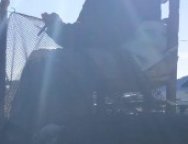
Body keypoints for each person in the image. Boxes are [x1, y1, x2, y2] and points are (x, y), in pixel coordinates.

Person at [9, 0, 166, 132]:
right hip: (119, 52)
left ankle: (58, 138)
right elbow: (87, 35)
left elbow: (103, 35)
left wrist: (60, 28)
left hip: (134, 56)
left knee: (45, 66)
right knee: (42, 61)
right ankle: (47, 137)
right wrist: (58, 27)